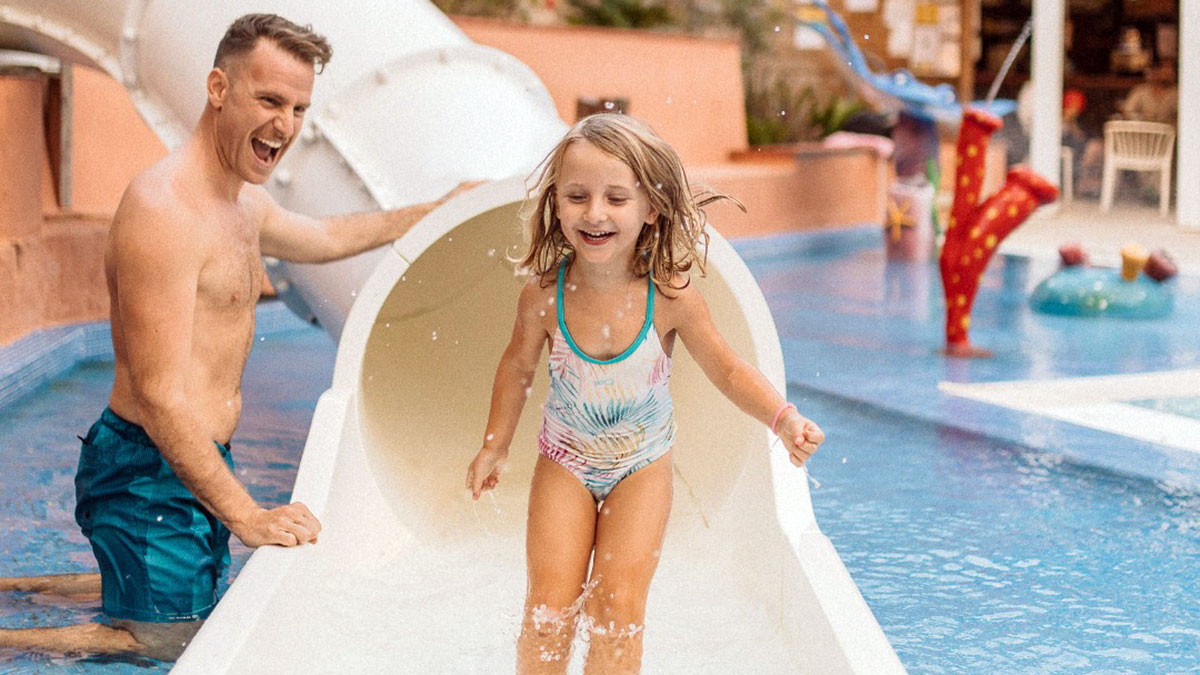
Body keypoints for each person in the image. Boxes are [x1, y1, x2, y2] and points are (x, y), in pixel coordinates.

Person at [0, 13, 473, 660]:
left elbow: (328, 239)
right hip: (148, 466)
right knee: (169, 640)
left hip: (192, 461)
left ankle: (18, 587)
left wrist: (438, 208)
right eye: (270, 99)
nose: (286, 124)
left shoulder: (244, 204)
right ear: (219, 87)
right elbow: (160, 395)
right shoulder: (164, 212)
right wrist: (247, 514)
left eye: (300, 107)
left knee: (194, 603)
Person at [464, 113, 824, 673]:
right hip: (564, 462)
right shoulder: (543, 295)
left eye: (615, 197)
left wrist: (782, 418)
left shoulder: (671, 296)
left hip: (643, 467)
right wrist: (495, 444)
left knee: (618, 610)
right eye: (577, 196)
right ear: (555, 204)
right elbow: (515, 368)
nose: (595, 213)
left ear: (650, 207)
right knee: (548, 610)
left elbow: (727, 370)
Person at [1118, 60, 1178, 126]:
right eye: (1165, 69)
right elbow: (1128, 112)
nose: (1168, 73)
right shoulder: (1140, 91)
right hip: (1144, 132)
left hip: (1171, 133)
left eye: (1171, 70)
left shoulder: (1178, 93)